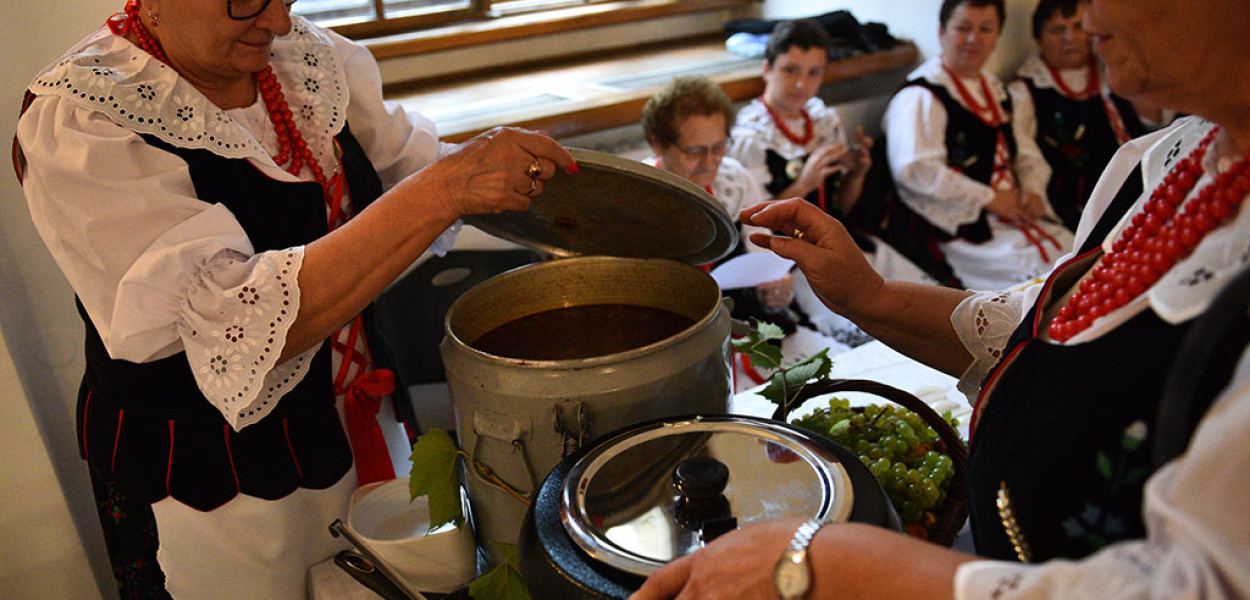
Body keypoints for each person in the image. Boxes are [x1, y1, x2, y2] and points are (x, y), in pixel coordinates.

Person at [629, 0, 1250, 596]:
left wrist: (829, 566)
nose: (1088, 15)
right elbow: (1035, 328)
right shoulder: (1160, 163)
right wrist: (867, 296)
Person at [13, 0, 575, 598]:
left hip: (361, 420)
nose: (279, 22)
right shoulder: (85, 120)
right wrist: (445, 190)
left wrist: (528, 192)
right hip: (218, 484)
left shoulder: (302, 59)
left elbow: (408, 171)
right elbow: (238, 318)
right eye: (246, 1)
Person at [728, 19, 935, 344]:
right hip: (791, 262)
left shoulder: (823, 120)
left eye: (814, 73)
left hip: (839, 243)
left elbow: (842, 208)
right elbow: (751, 223)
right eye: (790, 70)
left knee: (917, 310)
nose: (801, 84)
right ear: (767, 69)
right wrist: (805, 183)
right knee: (865, 334)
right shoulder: (750, 136)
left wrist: (857, 172)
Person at [881, 0, 1074, 291]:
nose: (974, 39)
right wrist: (989, 198)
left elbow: (1024, 152)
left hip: (1011, 217)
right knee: (1040, 281)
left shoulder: (993, 89)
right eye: (963, 28)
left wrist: (1032, 189)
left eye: (986, 29)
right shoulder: (920, 97)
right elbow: (916, 171)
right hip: (960, 229)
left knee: (1074, 253)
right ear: (941, 32)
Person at [640, 75, 798, 330]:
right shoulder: (636, 197)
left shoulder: (734, 181)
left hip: (740, 324)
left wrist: (776, 289)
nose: (709, 162)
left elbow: (763, 259)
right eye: (694, 151)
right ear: (658, 144)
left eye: (719, 147)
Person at [1008, 0, 1152, 231]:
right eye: (1057, 30)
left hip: (1142, 183)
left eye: (1078, 26)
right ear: (1039, 41)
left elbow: (1152, 123)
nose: (1070, 38)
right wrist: (1032, 192)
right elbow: (1027, 156)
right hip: (1081, 208)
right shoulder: (1025, 91)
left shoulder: (1111, 71)